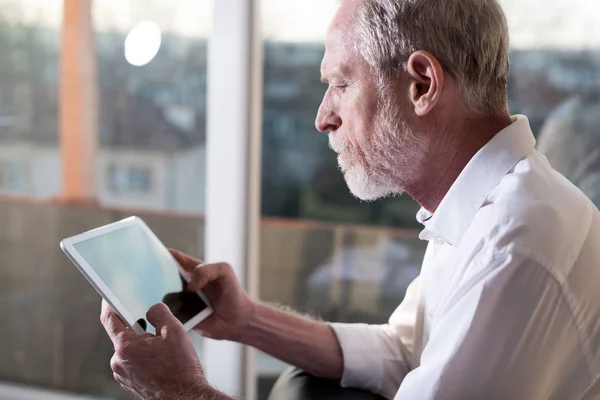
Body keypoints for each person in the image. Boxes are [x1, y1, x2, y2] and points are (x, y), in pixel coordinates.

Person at [100, 0, 600, 399]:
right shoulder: (486, 206)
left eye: (341, 83)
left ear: (421, 84)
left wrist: (178, 391)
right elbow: (403, 351)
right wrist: (247, 319)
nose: (323, 118)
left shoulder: (514, 243)